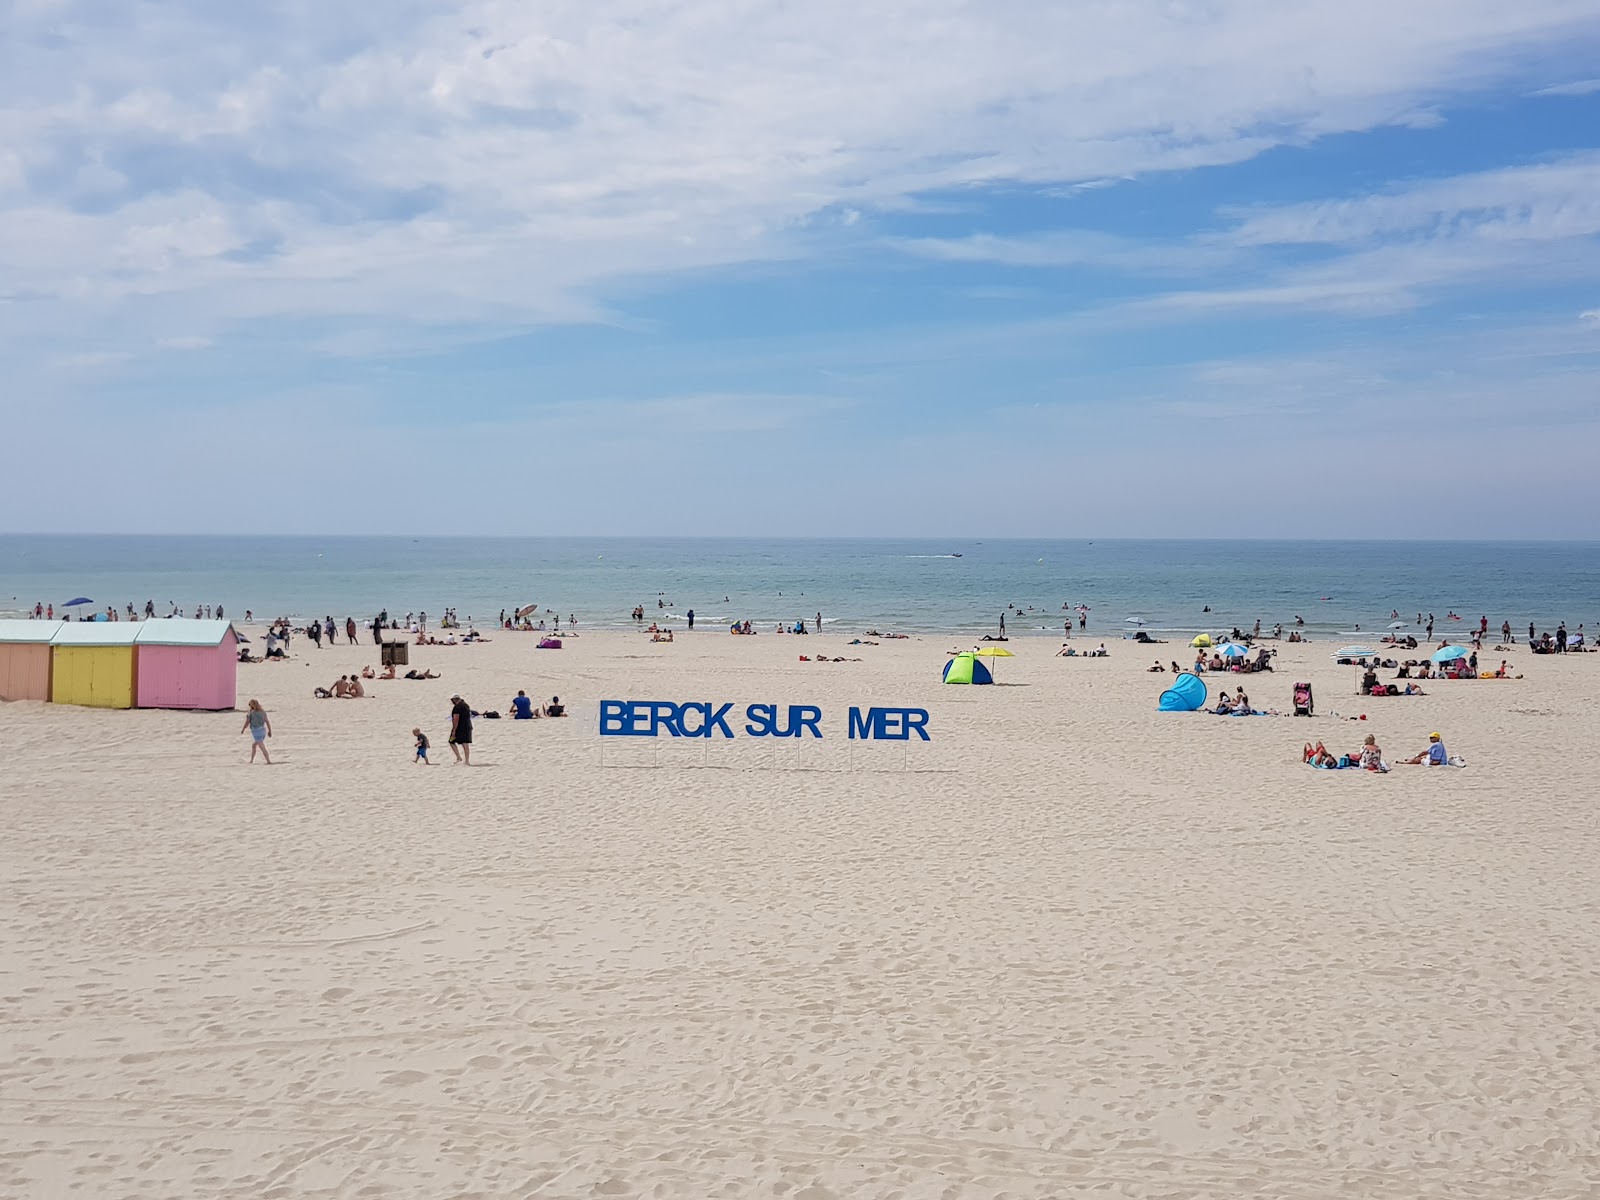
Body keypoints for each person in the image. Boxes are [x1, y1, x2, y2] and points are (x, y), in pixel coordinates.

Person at [449, 695, 473, 764]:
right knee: (465, 743)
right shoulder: (466, 705)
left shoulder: (457, 707)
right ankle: (467, 760)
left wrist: (454, 730)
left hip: (460, 728)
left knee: (451, 741)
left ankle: (458, 757)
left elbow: (456, 719)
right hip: (468, 726)